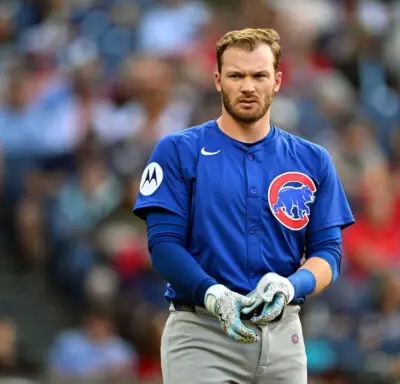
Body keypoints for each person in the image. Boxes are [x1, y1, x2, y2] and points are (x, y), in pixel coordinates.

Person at [133, 27, 355, 384]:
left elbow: (329, 254)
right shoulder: (178, 150)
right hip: (202, 334)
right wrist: (214, 294)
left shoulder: (313, 160)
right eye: (236, 75)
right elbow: (162, 247)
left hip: (284, 334)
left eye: (259, 75)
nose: (248, 86)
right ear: (218, 80)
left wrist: (290, 286)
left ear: (278, 80)